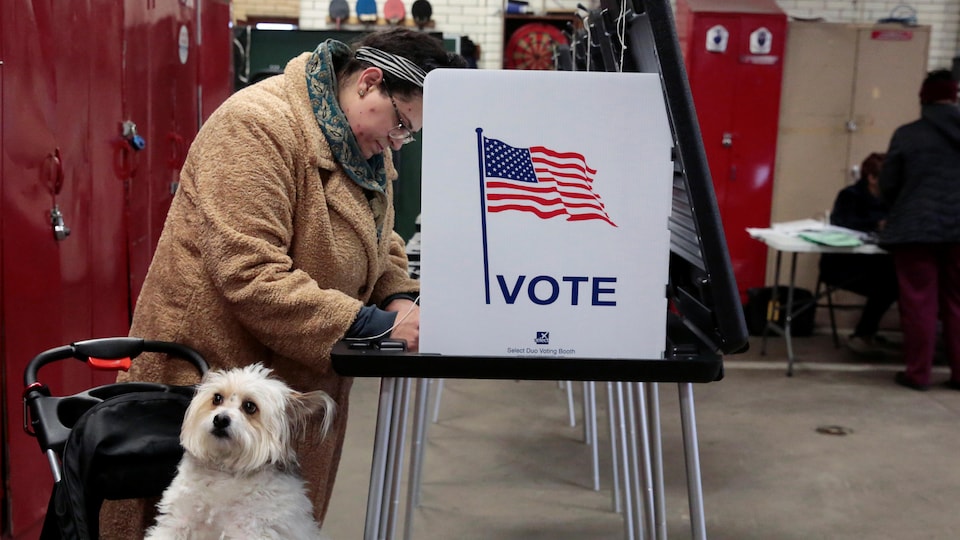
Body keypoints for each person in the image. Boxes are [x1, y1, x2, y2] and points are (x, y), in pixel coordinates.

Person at [100, 28, 466, 537]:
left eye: (409, 135)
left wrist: (399, 297)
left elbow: (380, 241)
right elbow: (249, 272)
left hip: (290, 386)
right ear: (369, 82)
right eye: (402, 123)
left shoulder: (363, 143)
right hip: (210, 373)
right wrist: (373, 325)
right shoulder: (257, 125)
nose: (398, 141)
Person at [878, 68, 960, 391]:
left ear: (923, 98)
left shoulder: (908, 134)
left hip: (916, 230)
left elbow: (888, 184)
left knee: (919, 303)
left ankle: (918, 374)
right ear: (954, 97)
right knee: (957, 302)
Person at [818, 152, 899, 354]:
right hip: (844, 266)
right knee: (888, 284)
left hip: (874, 263)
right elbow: (841, 224)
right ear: (872, 178)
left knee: (897, 279)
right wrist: (876, 224)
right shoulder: (850, 196)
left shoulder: (891, 199)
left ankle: (866, 333)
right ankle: (863, 334)